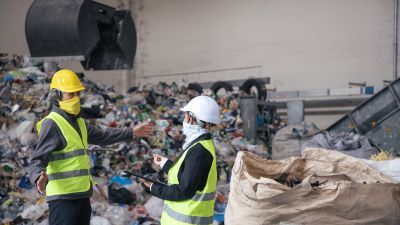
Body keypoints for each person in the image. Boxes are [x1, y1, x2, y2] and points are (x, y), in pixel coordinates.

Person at [28, 69, 153, 225]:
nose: (75, 99)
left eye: (77, 94)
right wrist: (37, 177)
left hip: (82, 195)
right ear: (56, 96)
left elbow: (103, 136)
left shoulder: (79, 122)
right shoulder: (52, 124)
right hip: (63, 198)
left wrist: (131, 132)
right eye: (70, 94)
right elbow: (37, 158)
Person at [141, 96, 220, 225]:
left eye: (185, 116)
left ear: (192, 118)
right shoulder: (199, 144)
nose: (184, 120)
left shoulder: (199, 151)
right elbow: (186, 173)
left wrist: (153, 187)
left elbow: (183, 190)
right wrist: (164, 163)